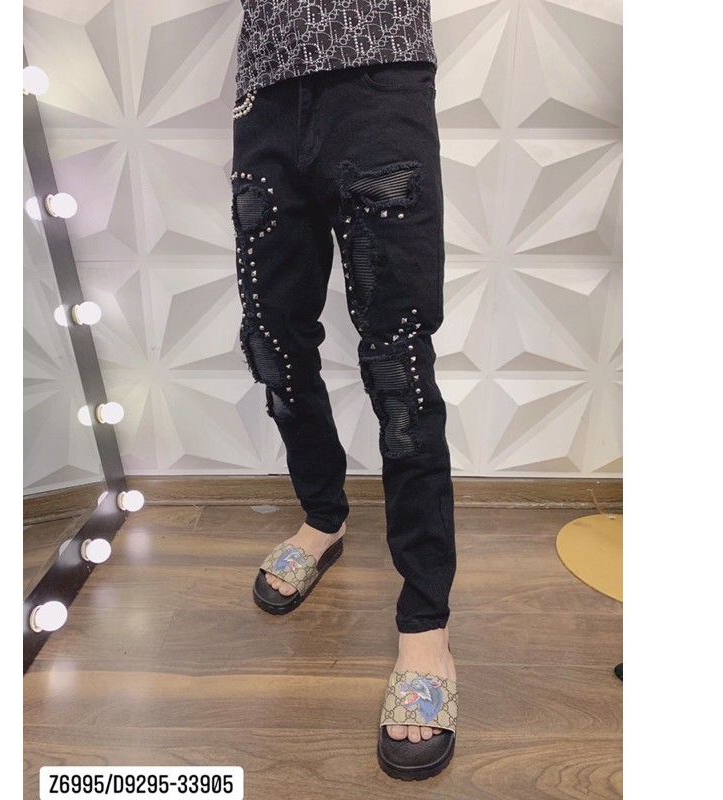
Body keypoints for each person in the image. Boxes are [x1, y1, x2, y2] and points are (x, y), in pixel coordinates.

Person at [231, 0, 458, 781]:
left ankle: (425, 626)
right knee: (273, 342)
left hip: (378, 70)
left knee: (397, 364)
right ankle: (324, 518)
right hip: (265, 88)